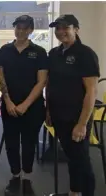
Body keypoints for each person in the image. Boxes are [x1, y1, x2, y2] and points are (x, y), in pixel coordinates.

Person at [47, 15, 99, 196]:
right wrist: (48, 111)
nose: (61, 32)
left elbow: (91, 91)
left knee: (81, 160)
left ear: (76, 28)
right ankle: (74, 192)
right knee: (71, 157)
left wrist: (82, 123)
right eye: (57, 28)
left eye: (65, 27)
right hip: (58, 115)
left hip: (77, 117)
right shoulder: (54, 53)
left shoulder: (85, 54)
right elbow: (50, 84)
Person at [0, 15, 48, 196]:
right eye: (18, 27)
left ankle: (27, 178)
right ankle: (15, 176)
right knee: (11, 143)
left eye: (25, 28)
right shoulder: (4, 50)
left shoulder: (40, 52)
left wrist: (25, 104)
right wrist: (8, 101)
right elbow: (1, 78)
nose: (21, 31)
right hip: (9, 105)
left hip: (33, 108)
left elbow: (41, 82)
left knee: (28, 144)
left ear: (31, 30)